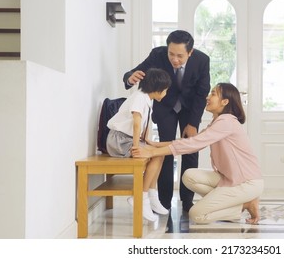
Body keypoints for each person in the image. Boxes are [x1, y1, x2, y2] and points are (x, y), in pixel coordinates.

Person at [132, 83, 264, 224]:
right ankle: (233, 201)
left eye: (213, 94)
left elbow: (192, 144)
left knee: (197, 215)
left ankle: (244, 205)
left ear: (225, 102)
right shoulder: (218, 122)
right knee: (189, 176)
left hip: (246, 183)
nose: (208, 97)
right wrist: (156, 144)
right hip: (231, 178)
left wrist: (152, 152)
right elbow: (193, 141)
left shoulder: (226, 122)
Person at [123, 30, 211, 212]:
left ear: (190, 52)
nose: (174, 59)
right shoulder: (158, 55)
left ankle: (187, 201)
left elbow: (202, 93)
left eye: (180, 56)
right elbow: (135, 72)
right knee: (164, 152)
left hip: (189, 110)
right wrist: (129, 78)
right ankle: (163, 201)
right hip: (165, 107)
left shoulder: (202, 61)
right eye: (171, 54)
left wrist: (193, 123)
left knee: (190, 152)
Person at [106, 68, 172, 222]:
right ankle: (140, 197)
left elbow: (144, 125)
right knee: (157, 154)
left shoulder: (147, 100)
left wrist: (147, 141)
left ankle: (151, 194)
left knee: (160, 152)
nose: (166, 93)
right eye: (165, 90)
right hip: (119, 140)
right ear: (157, 89)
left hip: (128, 138)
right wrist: (137, 147)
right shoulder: (139, 97)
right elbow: (136, 123)